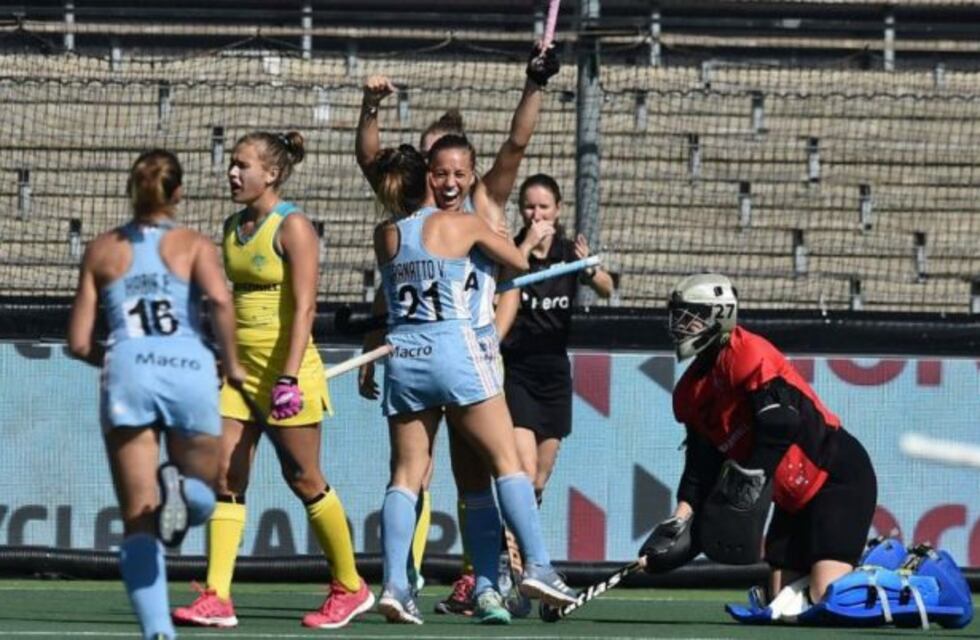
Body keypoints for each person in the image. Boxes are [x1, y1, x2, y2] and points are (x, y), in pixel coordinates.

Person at [355, 41, 559, 618]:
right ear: (423, 171)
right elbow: (371, 166)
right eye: (434, 171)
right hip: (438, 350)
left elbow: (517, 144)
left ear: (469, 172)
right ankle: (429, 579)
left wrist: (534, 85)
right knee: (445, 471)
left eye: (455, 173)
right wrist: (369, 110)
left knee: (474, 476)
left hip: (469, 350)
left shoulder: (483, 202)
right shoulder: (415, 215)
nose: (445, 182)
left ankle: (484, 581)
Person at [171, 131, 373, 630]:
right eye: (232, 165)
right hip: (241, 374)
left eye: (243, 165)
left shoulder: (294, 227)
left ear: (272, 174)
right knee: (224, 474)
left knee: (303, 478)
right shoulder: (232, 226)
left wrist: (287, 378)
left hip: (288, 372)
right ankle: (217, 595)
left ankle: (350, 586)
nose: (232, 173)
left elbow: (305, 307)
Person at [68, 149, 244, 640]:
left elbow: (80, 341)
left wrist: (118, 358)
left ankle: (157, 632)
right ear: (179, 192)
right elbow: (219, 300)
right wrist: (231, 363)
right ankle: (189, 492)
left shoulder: (103, 250)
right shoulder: (193, 244)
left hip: (128, 370)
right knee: (208, 489)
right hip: (188, 367)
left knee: (139, 519)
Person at [638, 273, 878, 607]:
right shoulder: (688, 394)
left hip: (834, 478)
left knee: (828, 596)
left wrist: (745, 482)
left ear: (719, 316)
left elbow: (781, 423)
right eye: (678, 316)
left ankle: (898, 565)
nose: (680, 325)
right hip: (792, 499)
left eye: (690, 316)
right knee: (781, 603)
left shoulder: (748, 352)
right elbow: (700, 467)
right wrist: (679, 521)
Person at [496, 174, 614, 506]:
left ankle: (523, 540)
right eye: (530, 208)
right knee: (523, 468)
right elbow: (501, 282)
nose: (537, 216)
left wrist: (589, 267)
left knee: (538, 480)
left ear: (558, 210)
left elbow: (606, 287)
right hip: (517, 371)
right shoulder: (512, 250)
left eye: (544, 208)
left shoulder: (568, 253)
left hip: (555, 374)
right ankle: (514, 549)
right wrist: (525, 248)